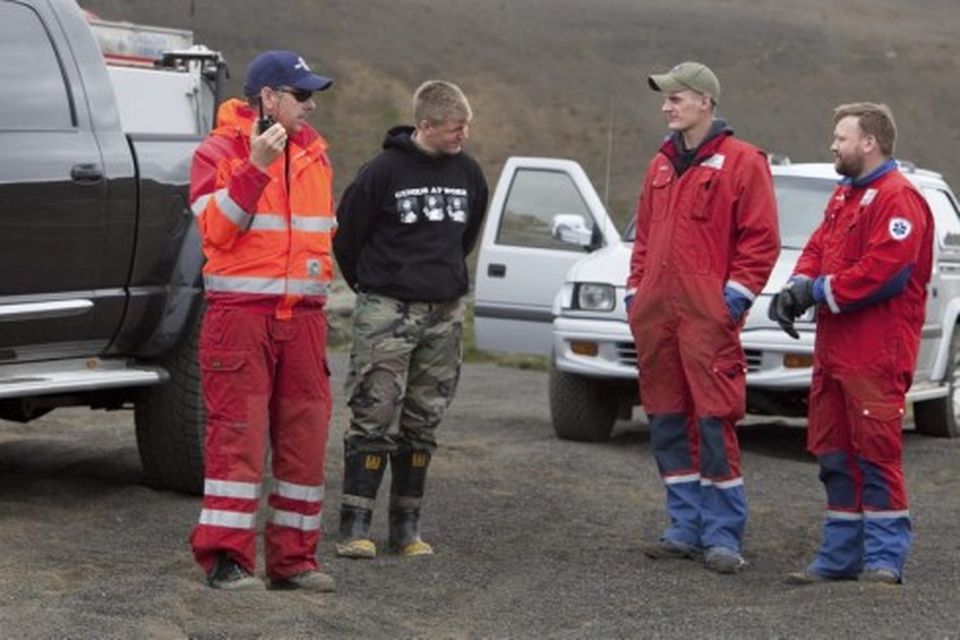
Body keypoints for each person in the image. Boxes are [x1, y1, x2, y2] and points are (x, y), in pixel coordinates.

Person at [187, 50, 338, 591]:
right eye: (302, 95)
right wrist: (255, 167)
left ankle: (295, 561)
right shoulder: (216, 152)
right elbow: (218, 233)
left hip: (304, 321)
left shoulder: (316, 156)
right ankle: (226, 560)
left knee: (306, 441)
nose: (311, 106)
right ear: (269, 98)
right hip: (240, 320)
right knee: (237, 441)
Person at [626, 61, 780, 574]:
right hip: (658, 320)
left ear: (706, 103)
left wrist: (730, 301)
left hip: (705, 320)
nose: (667, 106)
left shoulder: (744, 162)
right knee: (667, 421)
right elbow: (644, 239)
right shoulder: (660, 165)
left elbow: (761, 242)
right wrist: (635, 292)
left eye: (677, 97)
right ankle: (683, 527)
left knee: (714, 423)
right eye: (666, 98)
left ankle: (722, 536)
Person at [772, 103, 933, 586]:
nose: (833, 145)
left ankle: (884, 558)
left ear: (869, 143)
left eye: (841, 137)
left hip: (876, 351)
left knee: (876, 451)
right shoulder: (845, 196)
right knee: (834, 451)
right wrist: (796, 286)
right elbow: (818, 247)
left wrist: (818, 291)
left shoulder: (898, 198)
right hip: (836, 350)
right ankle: (839, 556)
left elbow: (887, 272)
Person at [332, 80, 488, 559]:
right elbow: (348, 236)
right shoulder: (382, 171)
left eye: (466, 127)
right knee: (374, 411)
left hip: (443, 310)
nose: (462, 135)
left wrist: (437, 282)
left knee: (424, 418)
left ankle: (406, 527)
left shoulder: (469, 172)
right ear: (426, 125)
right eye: (454, 128)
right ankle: (354, 526)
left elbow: (466, 236)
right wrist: (375, 289)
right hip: (387, 308)